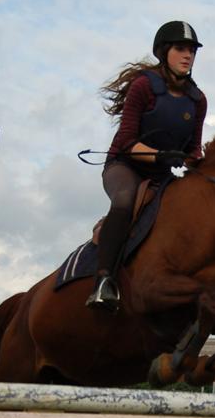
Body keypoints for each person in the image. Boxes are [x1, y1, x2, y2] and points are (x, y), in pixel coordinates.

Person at [85, 20, 208, 312]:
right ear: (164, 52)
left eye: (191, 50)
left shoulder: (197, 100)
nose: (188, 55)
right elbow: (127, 142)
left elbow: (194, 150)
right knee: (126, 200)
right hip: (124, 167)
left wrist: (198, 166)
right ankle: (104, 282)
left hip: (163, 176)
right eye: (181, 49)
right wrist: (162, 155)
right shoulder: (143, 87)